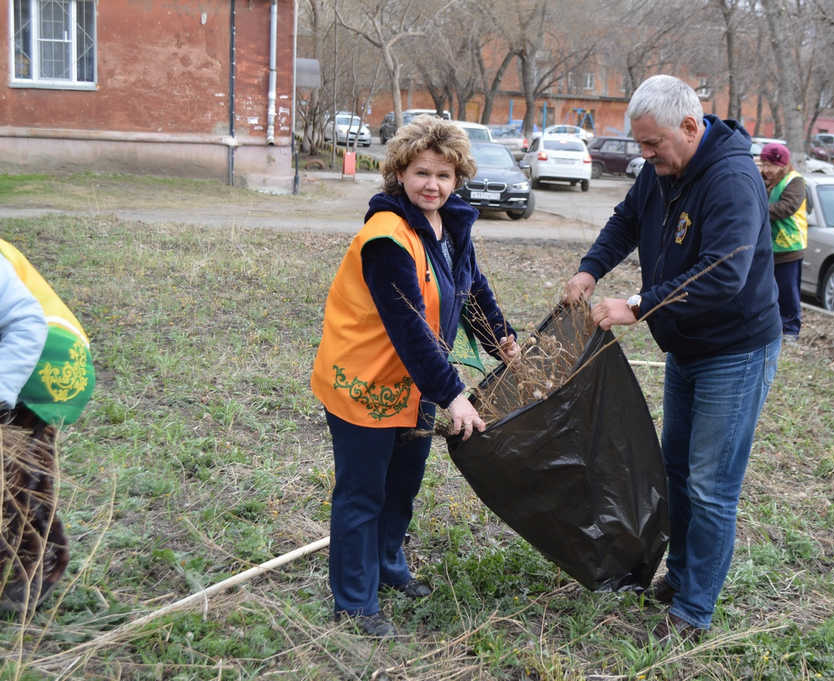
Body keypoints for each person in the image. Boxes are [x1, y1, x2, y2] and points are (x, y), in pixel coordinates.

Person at [563, 75, 781, 640]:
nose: (646, 155)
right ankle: (682, 575)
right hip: (687, 346)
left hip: (734, 353)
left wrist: (638, 304)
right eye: (640, 144)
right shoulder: (662, 172)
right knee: (677, 472)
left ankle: (695, 611)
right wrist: (591, 268)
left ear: (691, 126)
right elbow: (627, 221)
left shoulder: (731, 180)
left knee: (711, 485)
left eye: (653, 143)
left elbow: (723, 274)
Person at [311, 115, 520, 638]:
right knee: (362, 493)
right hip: (367, 383)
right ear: (399, 174)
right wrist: (454, 394)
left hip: (415, 385)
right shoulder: (386, 239)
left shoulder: (450, 224)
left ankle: (388, 566)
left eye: (444, 175)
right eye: (422, 172)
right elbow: (406, 326)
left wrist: (503, 342)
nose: (433, 184)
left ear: (458, 179)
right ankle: (354, 602)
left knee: (402, 483)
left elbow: (471, 288)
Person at [1, 238, 95, 613]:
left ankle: (40, 567)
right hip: (11, 358)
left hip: (48, 362)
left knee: (19, 477)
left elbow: (26, 322)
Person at [760, 143, 807, 342]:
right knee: (766, 291)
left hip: (789, 246)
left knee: (788, 291)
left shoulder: (795, 182)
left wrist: (756, 208)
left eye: (770, 165)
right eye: (763, 164)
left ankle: (790, 330)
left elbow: (786, 207)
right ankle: (769, 327)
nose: (766, 170)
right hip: (768, 247)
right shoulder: (763, 181)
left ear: (782, 165)